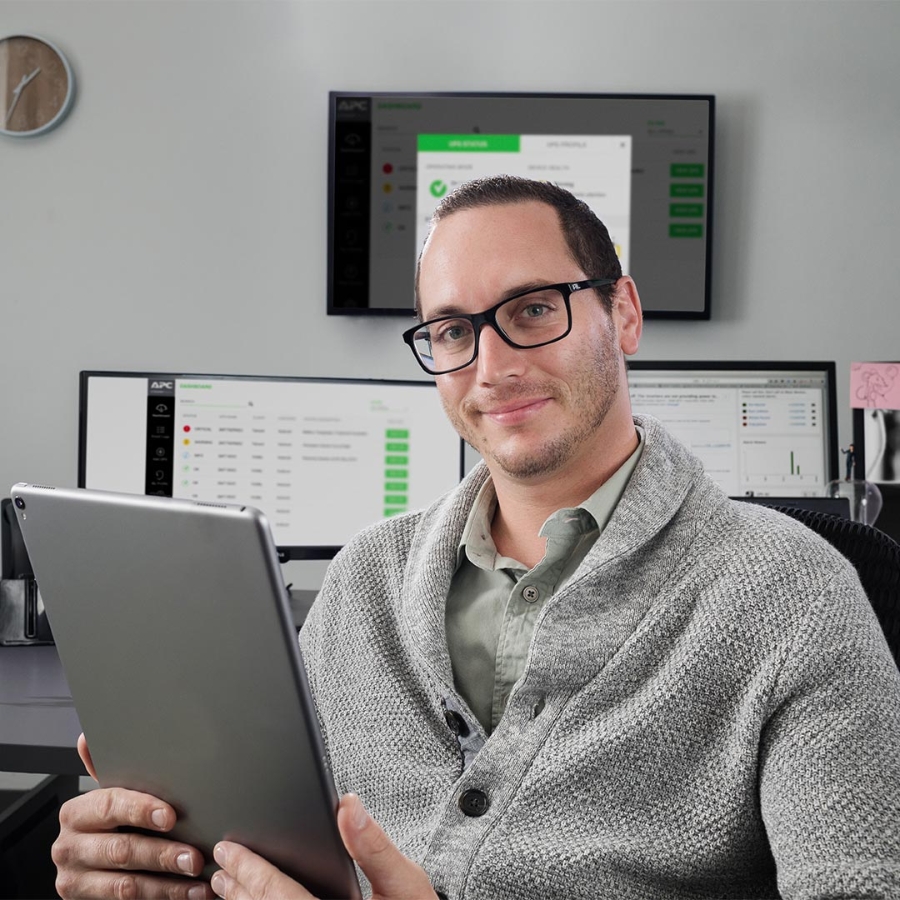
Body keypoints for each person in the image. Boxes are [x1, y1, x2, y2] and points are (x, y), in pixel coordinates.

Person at [53, 176, 900, 900]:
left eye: (533, 310)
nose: (491, 367)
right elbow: (291, 854)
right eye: (454, 331)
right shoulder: (367, 580)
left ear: (625, 313)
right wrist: (164, 861)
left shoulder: (795, 594)